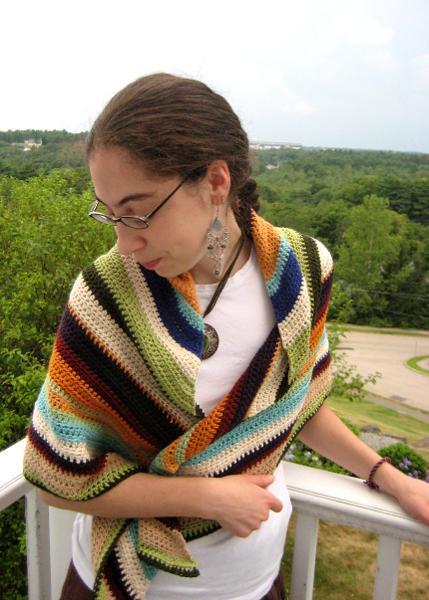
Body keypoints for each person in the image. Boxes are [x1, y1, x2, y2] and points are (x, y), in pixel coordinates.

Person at [23, 73, 429, 600]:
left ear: (216, 183)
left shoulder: (301, 273)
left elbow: (296, 404)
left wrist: (387, 476)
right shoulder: (107, 296)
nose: (124, 242)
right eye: (110, 213)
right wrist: (211, 499)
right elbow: (58, 477)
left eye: (138, 211)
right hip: (129, 584)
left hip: (253, 585)